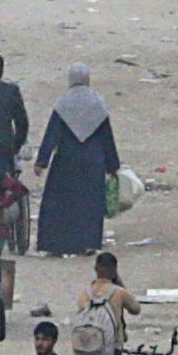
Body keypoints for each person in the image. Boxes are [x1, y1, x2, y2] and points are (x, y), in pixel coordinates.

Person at [37, 66, 122, 257]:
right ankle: (89, 244)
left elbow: (52, 134)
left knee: (60, 203)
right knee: (90, 204)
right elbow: (106, 137)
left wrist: (42, 162)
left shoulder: (63, 104)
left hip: (66, 160)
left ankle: (56, 244)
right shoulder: (97, 104)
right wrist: (113, 165)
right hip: (93, 161)